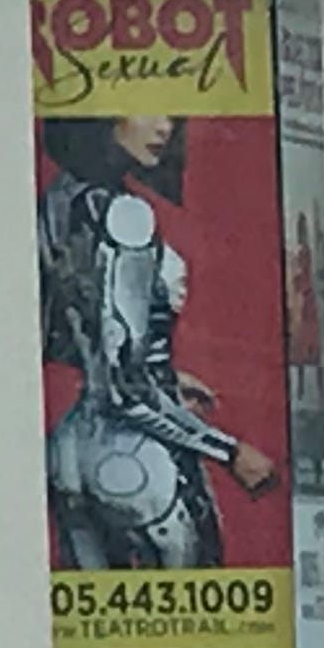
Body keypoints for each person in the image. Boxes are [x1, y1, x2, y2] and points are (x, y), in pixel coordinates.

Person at [37, 112, 277, 572]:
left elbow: (72, 333)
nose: (165, 127)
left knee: (94, 610)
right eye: (146, 110)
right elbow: (126, 388)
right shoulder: (127, 215)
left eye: (171, 115)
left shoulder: (58, 199)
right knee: (192, 607)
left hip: (70, 449)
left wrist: (164, 372)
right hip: (140, 454)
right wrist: (230, 452)